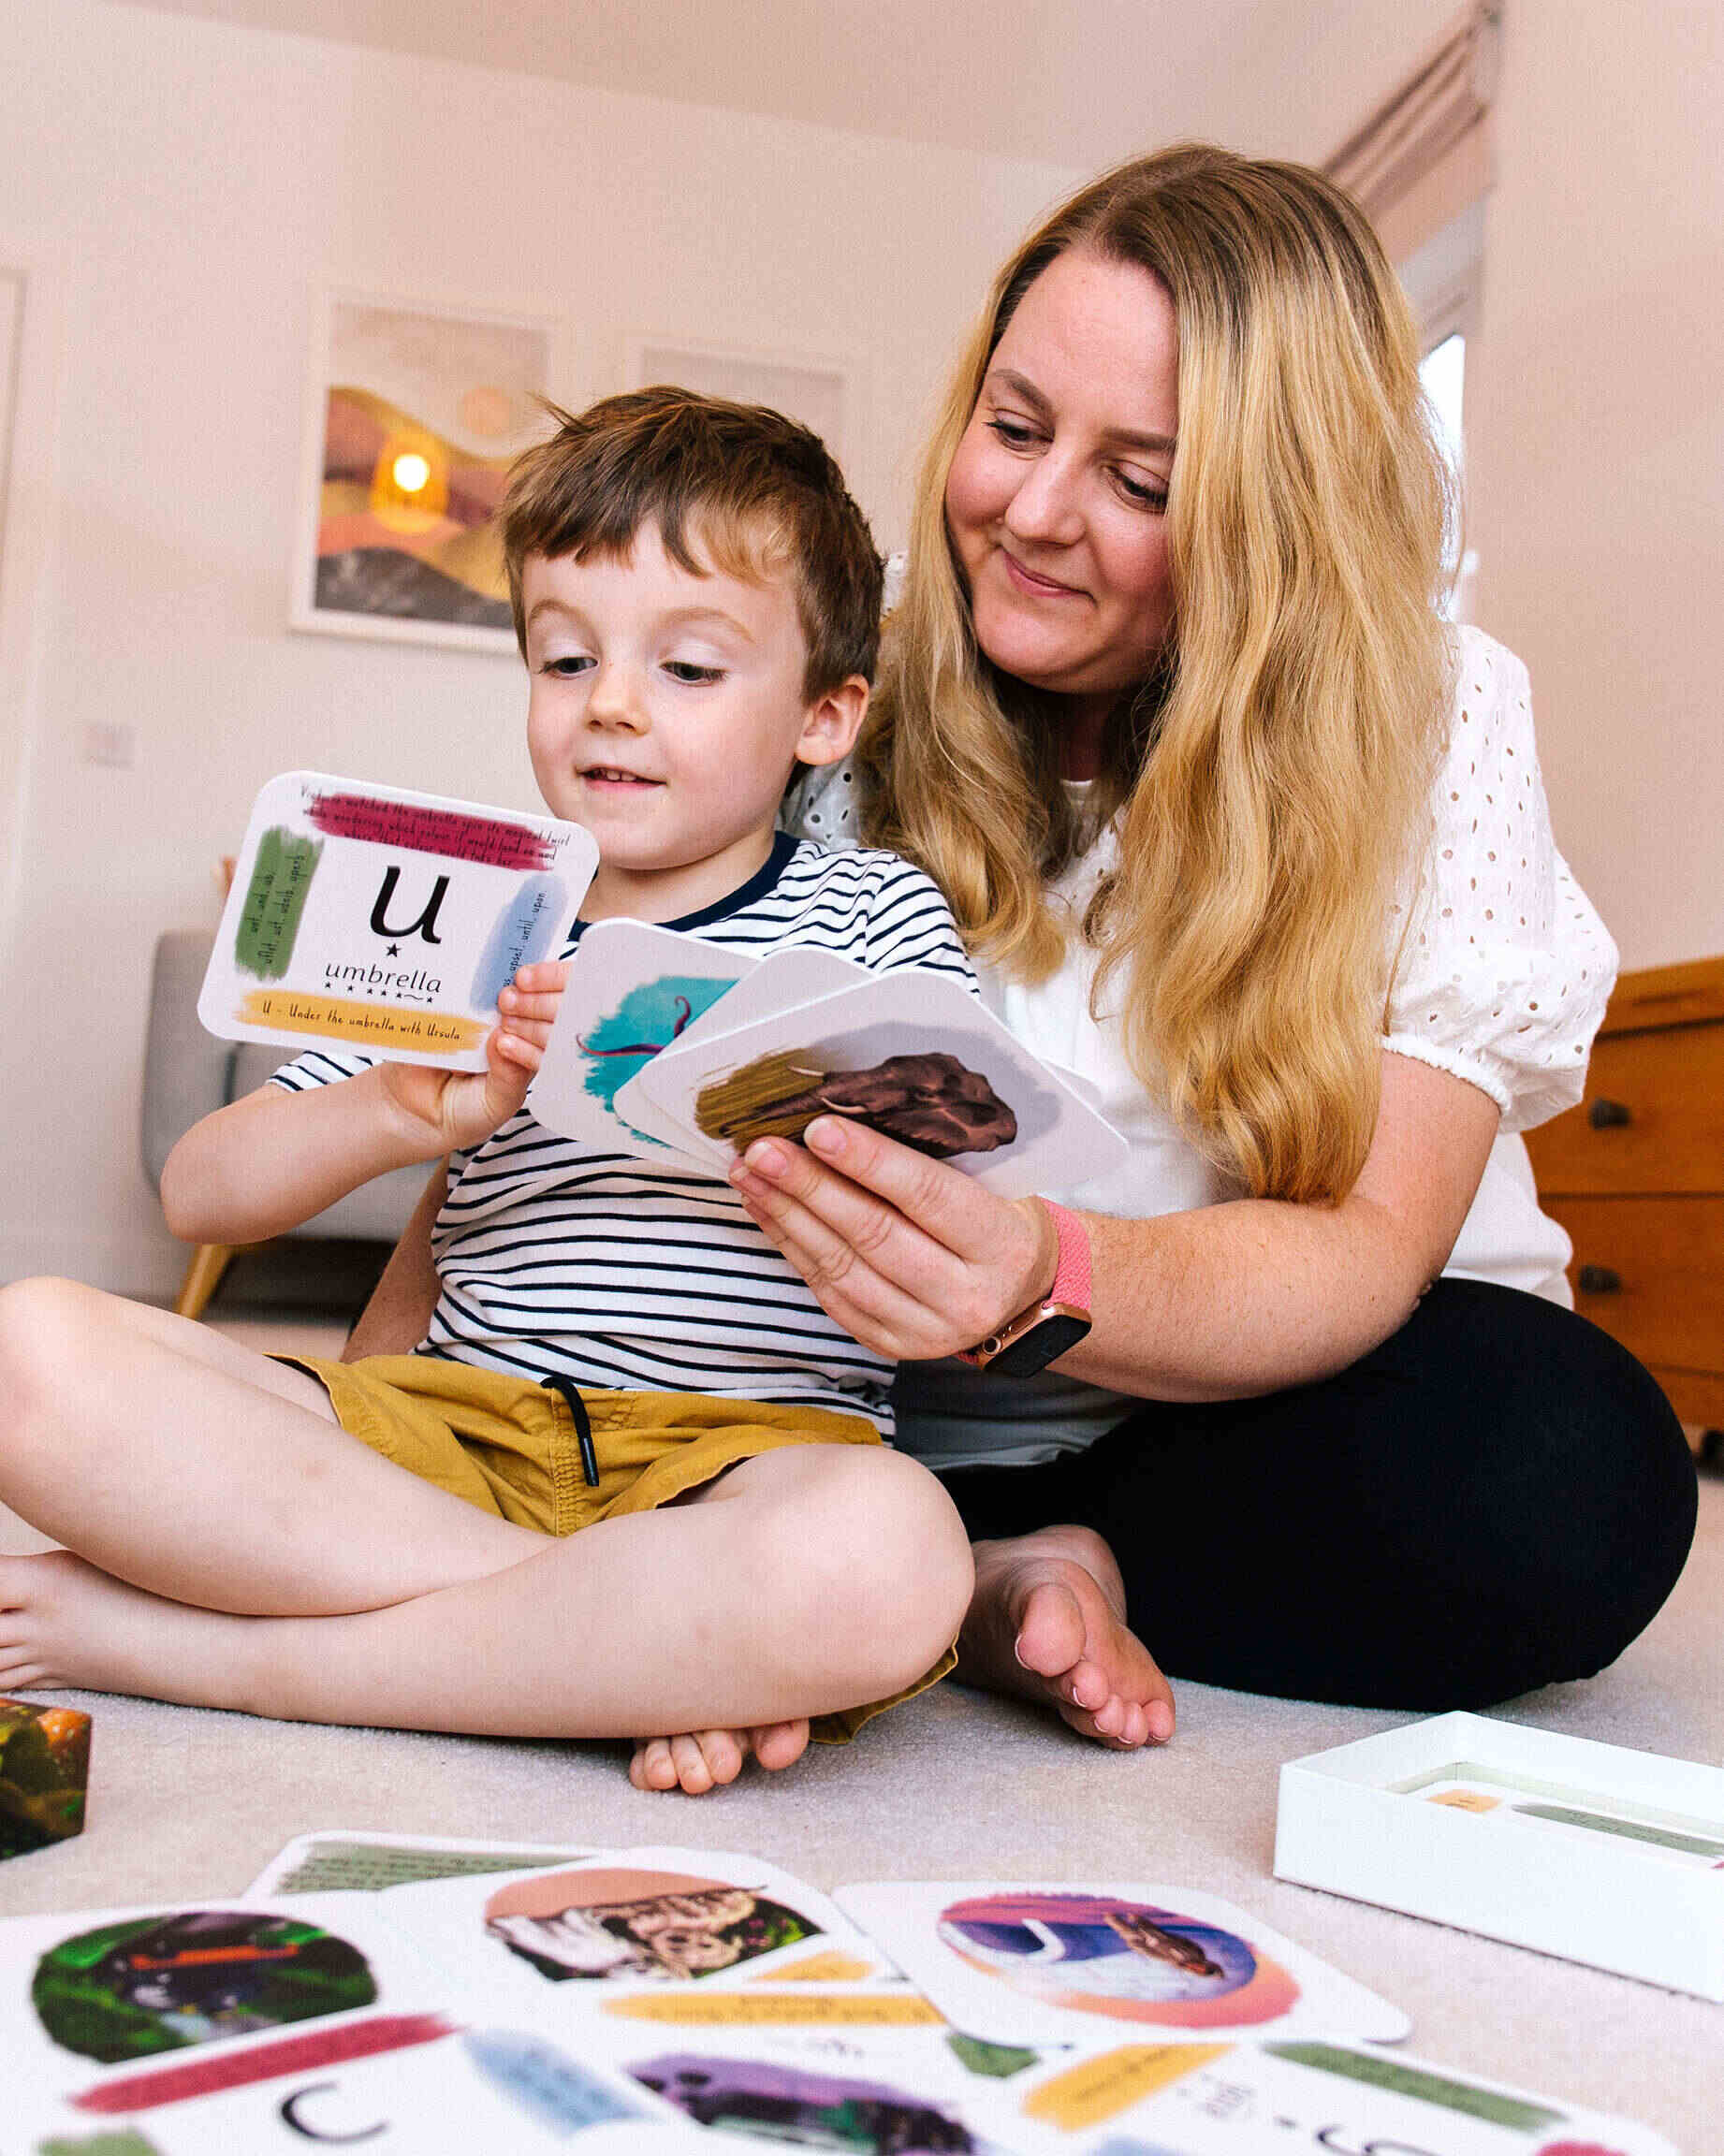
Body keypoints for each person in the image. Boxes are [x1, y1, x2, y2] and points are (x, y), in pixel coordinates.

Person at [748, 145, 1698, 1743]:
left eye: (1140, 482)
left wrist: (1040, 1273)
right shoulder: (839, 671)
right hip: (873, 1405)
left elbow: (1366, 1248)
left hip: (1235, 1409)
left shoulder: (1436, 713)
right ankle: (965, 1569)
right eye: (1013, 425)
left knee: (1565, 1470)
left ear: (1275, 523)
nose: (1031, 517)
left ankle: (1016, 1564)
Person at [0, 388, 977, 1795]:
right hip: (446, 1435)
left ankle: (212, 1658)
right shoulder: (471, 914)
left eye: (689, 670)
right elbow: (201, 1186)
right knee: (36, 1349)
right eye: (565, 659)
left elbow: (950, 1174)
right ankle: (595, 1645)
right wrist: (400, 1114)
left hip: (745, 1458)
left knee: (888, 1558)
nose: (614, 706)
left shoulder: (872, 913)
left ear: (826, 716)